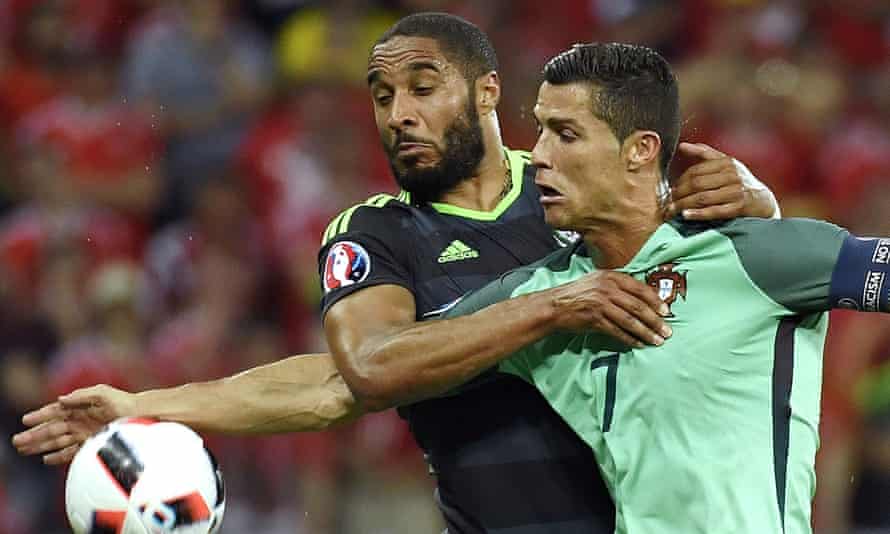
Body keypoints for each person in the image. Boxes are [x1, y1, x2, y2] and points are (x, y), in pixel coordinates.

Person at [13, 13, 781, 533]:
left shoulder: (578, 185)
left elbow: (738, 272)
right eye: (382, 96)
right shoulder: (376, 234)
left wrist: (755, 203)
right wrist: (143, 406)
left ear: (487, 93)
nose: (397, 113)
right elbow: (353, 376)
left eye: (421, 88)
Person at [439, 42, 890, 533]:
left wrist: (766, 210)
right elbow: (387, 366)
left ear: (641, 149)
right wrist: (545, 310)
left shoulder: (755, 256)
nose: (538, 156)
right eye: (541, 131)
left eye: (565, 134)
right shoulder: (545, 292)